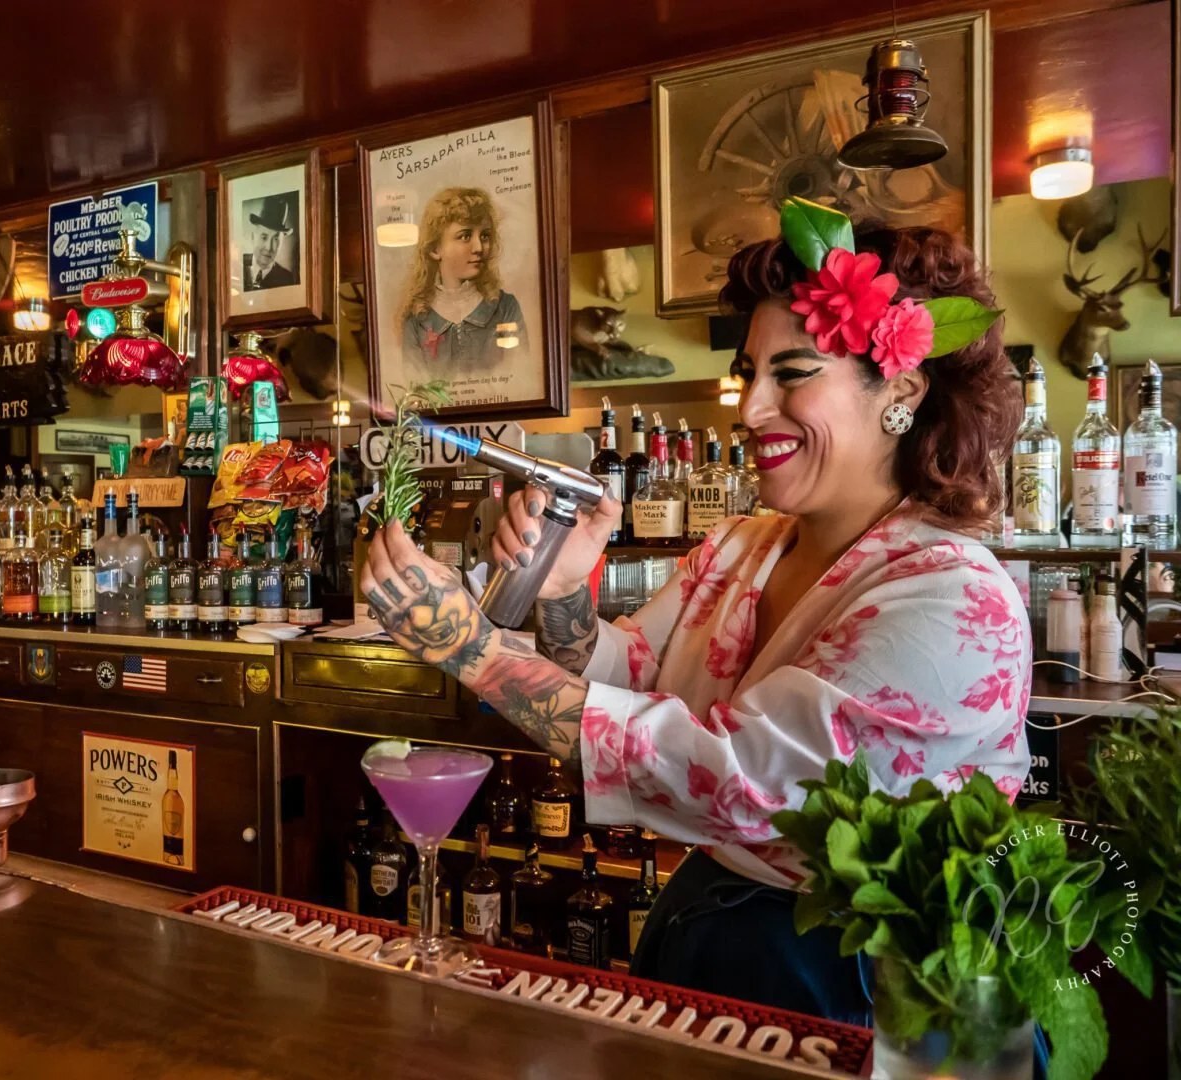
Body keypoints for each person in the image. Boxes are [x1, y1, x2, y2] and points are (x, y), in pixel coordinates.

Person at [360, 212, 1030, 1026]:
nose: (748, 409)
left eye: (790, 374)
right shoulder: (746, 545)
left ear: (901, 390)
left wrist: (474, 649)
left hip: (863, 987)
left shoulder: (953, 598)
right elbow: (632, 671)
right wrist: (566, 593)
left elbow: (735, 779)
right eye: (749, 372)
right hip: (709, 932)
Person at [400, 187, 527, 371]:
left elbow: (520, 378)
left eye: (484, 236)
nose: (478, 247)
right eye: (465, 236)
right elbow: (414, 390)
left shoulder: (505, 308)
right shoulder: (416, 321)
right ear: (435, 249)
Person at [243, 194, 298, 291]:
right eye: (264, 237)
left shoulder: (288, 280)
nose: (269, 247)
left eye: (276, 239)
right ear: (253, 237)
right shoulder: (238, 267)